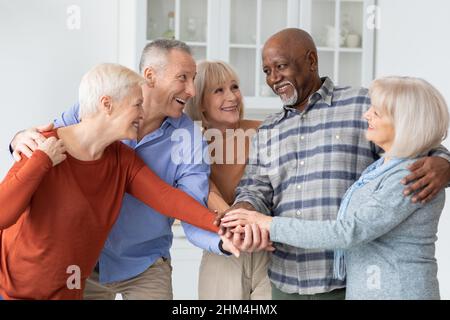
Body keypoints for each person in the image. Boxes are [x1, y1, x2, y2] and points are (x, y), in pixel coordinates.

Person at [218, 28, 450, 300]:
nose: (274, 78)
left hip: (349, 281)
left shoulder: (362, 104)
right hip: (285, 278)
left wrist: (445, 163)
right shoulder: (268, 129)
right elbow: (254, 189)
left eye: (280, 66)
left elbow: (418, 140)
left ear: (311, 61)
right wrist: (244, 212)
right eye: (267, 71)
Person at [8, 40, 238, 300]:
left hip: (145, 263)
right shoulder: (83, 118)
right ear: (150, 76)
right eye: (182, 78)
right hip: (83, 265)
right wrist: (19, 139)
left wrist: (221, 234)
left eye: (193, 79)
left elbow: (176, 202)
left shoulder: (158, 149)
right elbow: (45, 140)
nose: (191, 91)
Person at [184, 60, 272, 300]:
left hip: (268, 250)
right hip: (222, 250)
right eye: (218, 90)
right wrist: (236, 225)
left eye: (234, 87)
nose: (232, 96)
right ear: (200, 101)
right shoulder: (191, 143)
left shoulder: (263, 131)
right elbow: (203, 190)